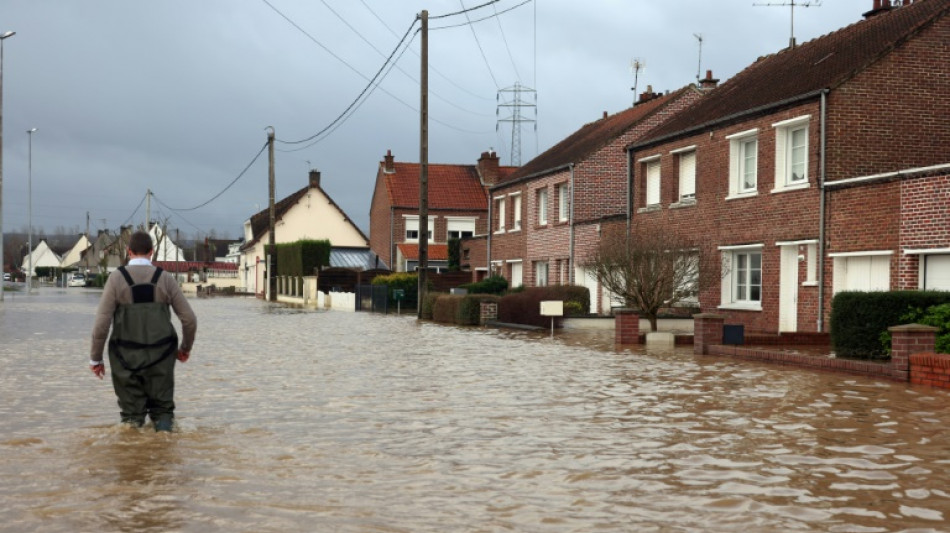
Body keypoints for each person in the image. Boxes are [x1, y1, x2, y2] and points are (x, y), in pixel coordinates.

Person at [89, 230, 197, 431]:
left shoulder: (116, 279)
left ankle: (132, 447)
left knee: (131, 417)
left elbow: (101, 324)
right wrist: (185, 348)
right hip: (161, 358)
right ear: (152, 252)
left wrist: (96, 359)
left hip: (125, 360)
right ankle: (164, 444)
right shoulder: (165, 279)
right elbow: (189, 320)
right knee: (163, 411)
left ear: (128, 251)